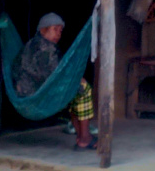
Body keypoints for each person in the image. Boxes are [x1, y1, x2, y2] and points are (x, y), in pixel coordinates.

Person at [15, 12, 95, 150]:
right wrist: (75, 81)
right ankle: (85, 138)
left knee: (73, 92)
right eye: (54, 29)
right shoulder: (47, 49)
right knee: (84, 89)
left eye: (60, 30)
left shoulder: (30, 44)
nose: (58, 34)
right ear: (42, 30)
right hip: (38, 96)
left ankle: (82, 135)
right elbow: (55, 78)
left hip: (27, 94)